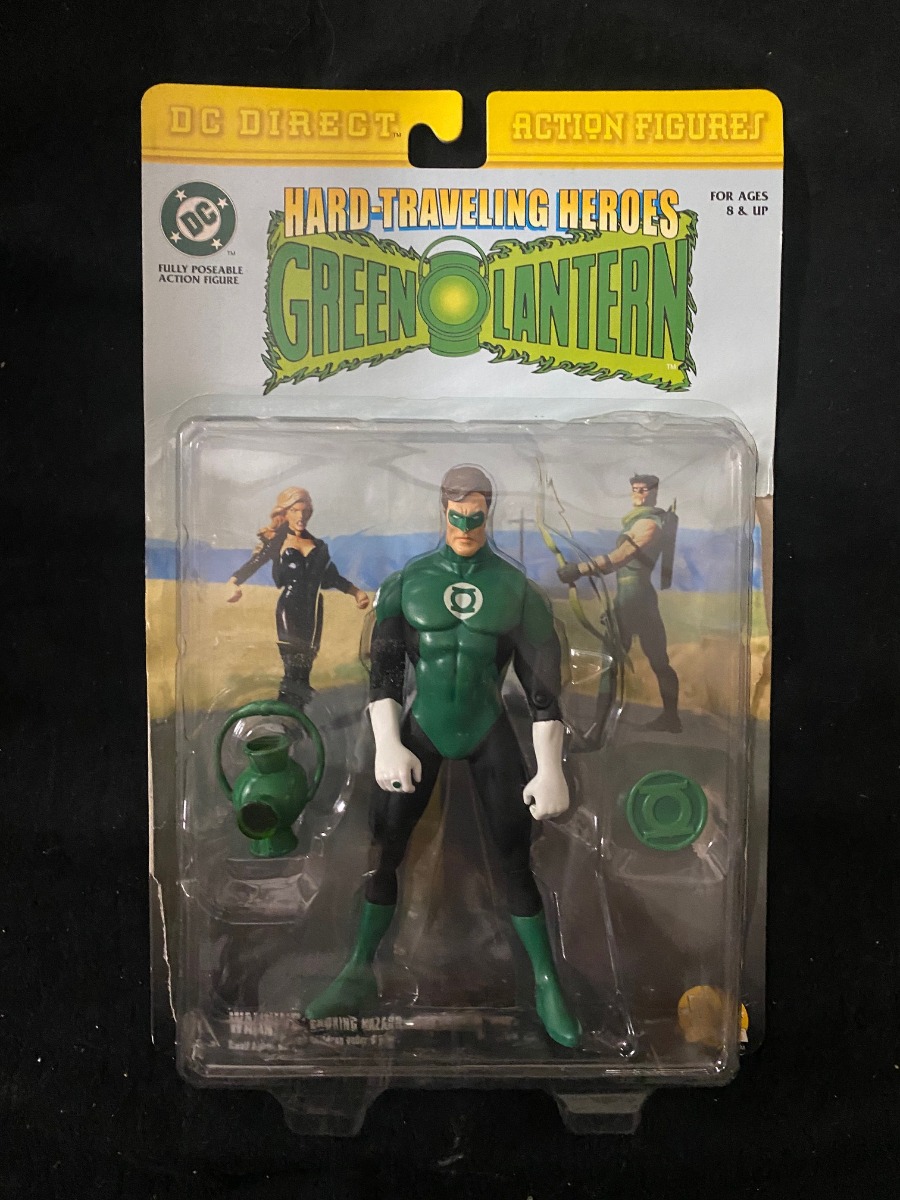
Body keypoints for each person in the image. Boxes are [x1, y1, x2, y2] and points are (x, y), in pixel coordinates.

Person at [304, 465, 580, 1047]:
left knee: (515, 857)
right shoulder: (408, 583)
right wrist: (387, 743)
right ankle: (357, 969)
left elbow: (542, 687)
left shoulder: (517, 590)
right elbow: (384, 672)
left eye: (476, 517)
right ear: (442, 512)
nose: (465, 527)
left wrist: (550, 769)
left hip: (487, 727)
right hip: (422, 726)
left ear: (489, 513)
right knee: (386, 849)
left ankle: (546, 980)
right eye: (456, 516)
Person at [558, 474, 680, 733]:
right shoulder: (637, 521)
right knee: (649, 661)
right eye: (635, 489)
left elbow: (620, 557)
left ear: (654, 493)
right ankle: (669, 719)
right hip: (632, 597)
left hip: (636, 598)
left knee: (615, 663)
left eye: (644, 490)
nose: (639, 494)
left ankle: (598, 730)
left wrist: (580, 569)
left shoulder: (649, 524)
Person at [226, 487, 369, 707]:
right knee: (292, 661)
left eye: (305, 511)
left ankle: (297, 711)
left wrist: (356, 592)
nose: (301, 516)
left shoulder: (319, 546)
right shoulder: (278, 541)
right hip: (289, 606)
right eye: (295, 510)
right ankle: (286, 707)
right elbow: (255, 563)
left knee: (305, 665)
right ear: (285, 513)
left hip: (313, 608)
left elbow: (331, 577)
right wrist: (233, 582)